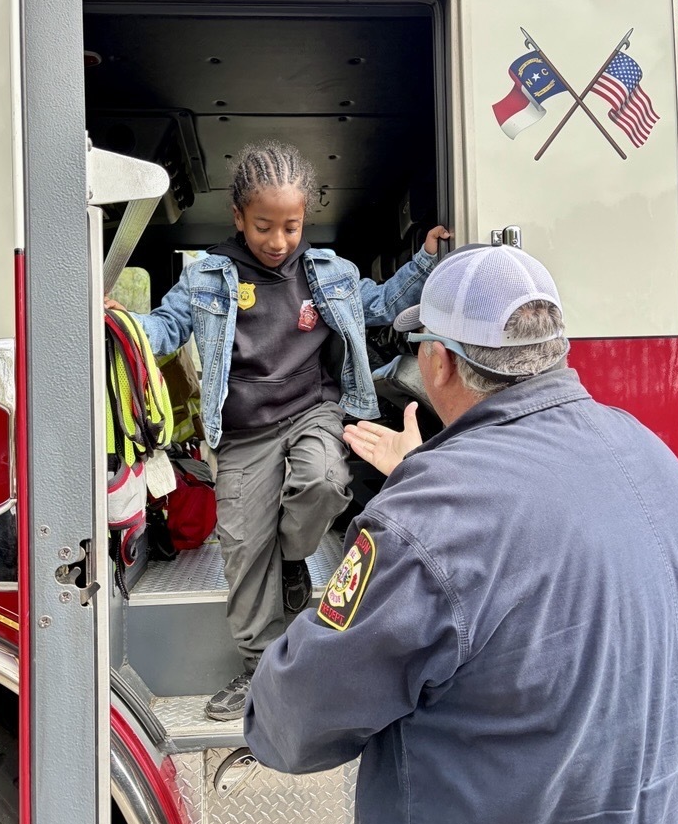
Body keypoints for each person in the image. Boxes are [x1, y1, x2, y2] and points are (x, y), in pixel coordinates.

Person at [244, 242, 678, 824]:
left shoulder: (427, 521)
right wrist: (429, 470)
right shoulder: (650, 454)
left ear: (438, 361)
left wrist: (423, 492)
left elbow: (295, 719)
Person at [106, 140, 448, 720]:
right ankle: (259, 670)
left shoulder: (327, 273)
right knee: (242, 547)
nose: (278, 240)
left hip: (313, 410)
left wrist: (423, 261)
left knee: (322, 480)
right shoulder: (210, 278)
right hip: (242, 433)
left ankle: (293, 557)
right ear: (239, 218)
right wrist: (114, 321)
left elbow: (383, 304)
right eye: (264, 226)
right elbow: (163, 329)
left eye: (291, 227)